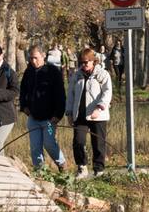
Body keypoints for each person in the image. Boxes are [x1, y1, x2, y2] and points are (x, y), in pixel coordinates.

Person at [66, 48, 112, 178]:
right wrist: (69, 112)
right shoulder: (76, 75)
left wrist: (99, 108)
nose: (83, 65)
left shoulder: (102, 74)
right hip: (80, 116)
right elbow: (70, 95)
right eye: (81, 62)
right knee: (78, 142)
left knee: (98, 143)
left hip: (97, 115)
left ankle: (98, 169)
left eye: (86, 62)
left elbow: (107, 92)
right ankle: (82, 167)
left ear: (93, 61)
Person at [20, 46, 66, 172]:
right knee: (35, 146)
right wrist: (24, 106)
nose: (33, 61)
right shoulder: (28, 72)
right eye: (31, 58)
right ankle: (40, 171)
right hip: (33, 117)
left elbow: (60, 95)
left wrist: (58, 115)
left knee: (49, 143)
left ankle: (62, 164)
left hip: (50, 119)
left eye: (36, 58)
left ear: (43, 56)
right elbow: (23, 90)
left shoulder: (53, 72)